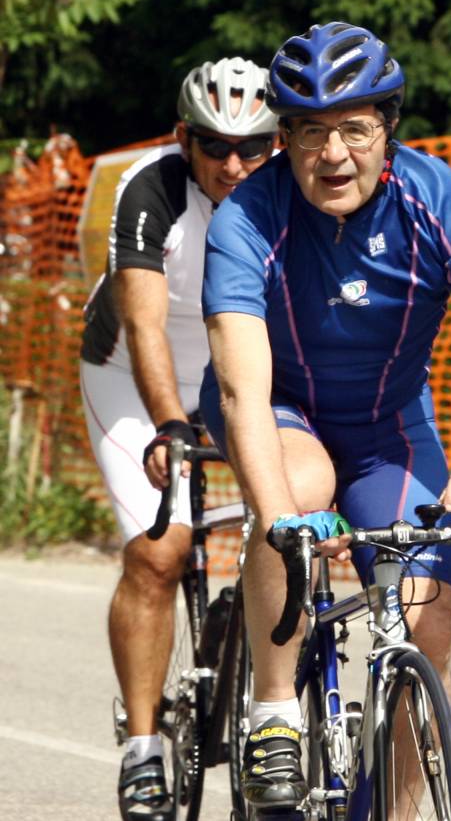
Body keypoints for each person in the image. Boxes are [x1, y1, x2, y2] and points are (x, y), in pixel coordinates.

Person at [198, 22, 451, 813]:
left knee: (428, 627)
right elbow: (244, 388)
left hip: (390, 429)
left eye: (356, 128)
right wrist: (281, 514)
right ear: (283, 139)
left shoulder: (435, 195)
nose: (336, 153)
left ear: (389, 127)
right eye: (312, 132)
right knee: (303, 485)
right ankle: (276, 709)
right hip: (282, 413)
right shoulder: (247, 218)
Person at [78, 56, 278, 821]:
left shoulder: (293, 195)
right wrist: (170, 422)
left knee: (288, 520)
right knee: (160, 554)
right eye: (213, 144)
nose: (233, 163)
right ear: (182, 138)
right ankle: (141, 744)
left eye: (253, 146)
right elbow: (146, 323)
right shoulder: (151, 188)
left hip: (235, 368)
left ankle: (260, 677)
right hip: (132, 375)